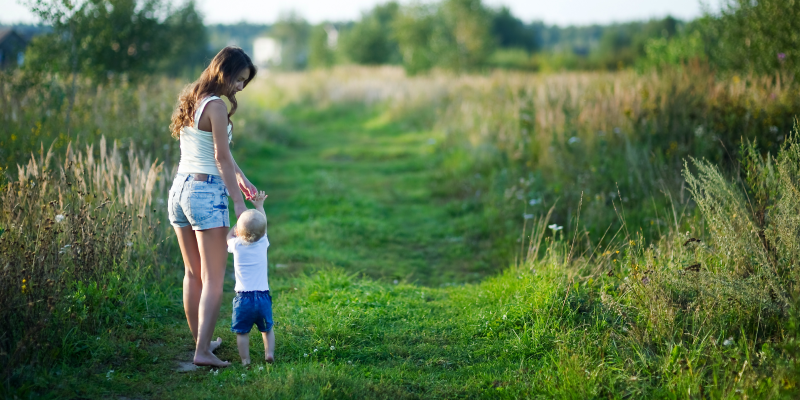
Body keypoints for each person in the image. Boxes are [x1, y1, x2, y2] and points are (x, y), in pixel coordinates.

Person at [168, 46, 258, 367]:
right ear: (227, 71)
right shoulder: (217, 106)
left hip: (180, 190)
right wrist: (237, 201)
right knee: (214, 278)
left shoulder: (195, 97)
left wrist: (241, 177)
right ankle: (203, 352)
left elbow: (216, 151)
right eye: (240, 80)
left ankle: (201, 342)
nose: (240, 88)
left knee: (193, 273)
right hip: (206, 192)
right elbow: (219, 157)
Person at [226, 191, 275, 365]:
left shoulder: (237, 244)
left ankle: (245, 360)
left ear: (239, 231)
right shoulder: (263, 242)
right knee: (267, 329)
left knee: (242, 332)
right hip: (262, 297)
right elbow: (264, 226)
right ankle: (269, 353)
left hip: (243, 299)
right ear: (263, 233)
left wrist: (236, 226)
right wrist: (259, 206)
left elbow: (228, 237)